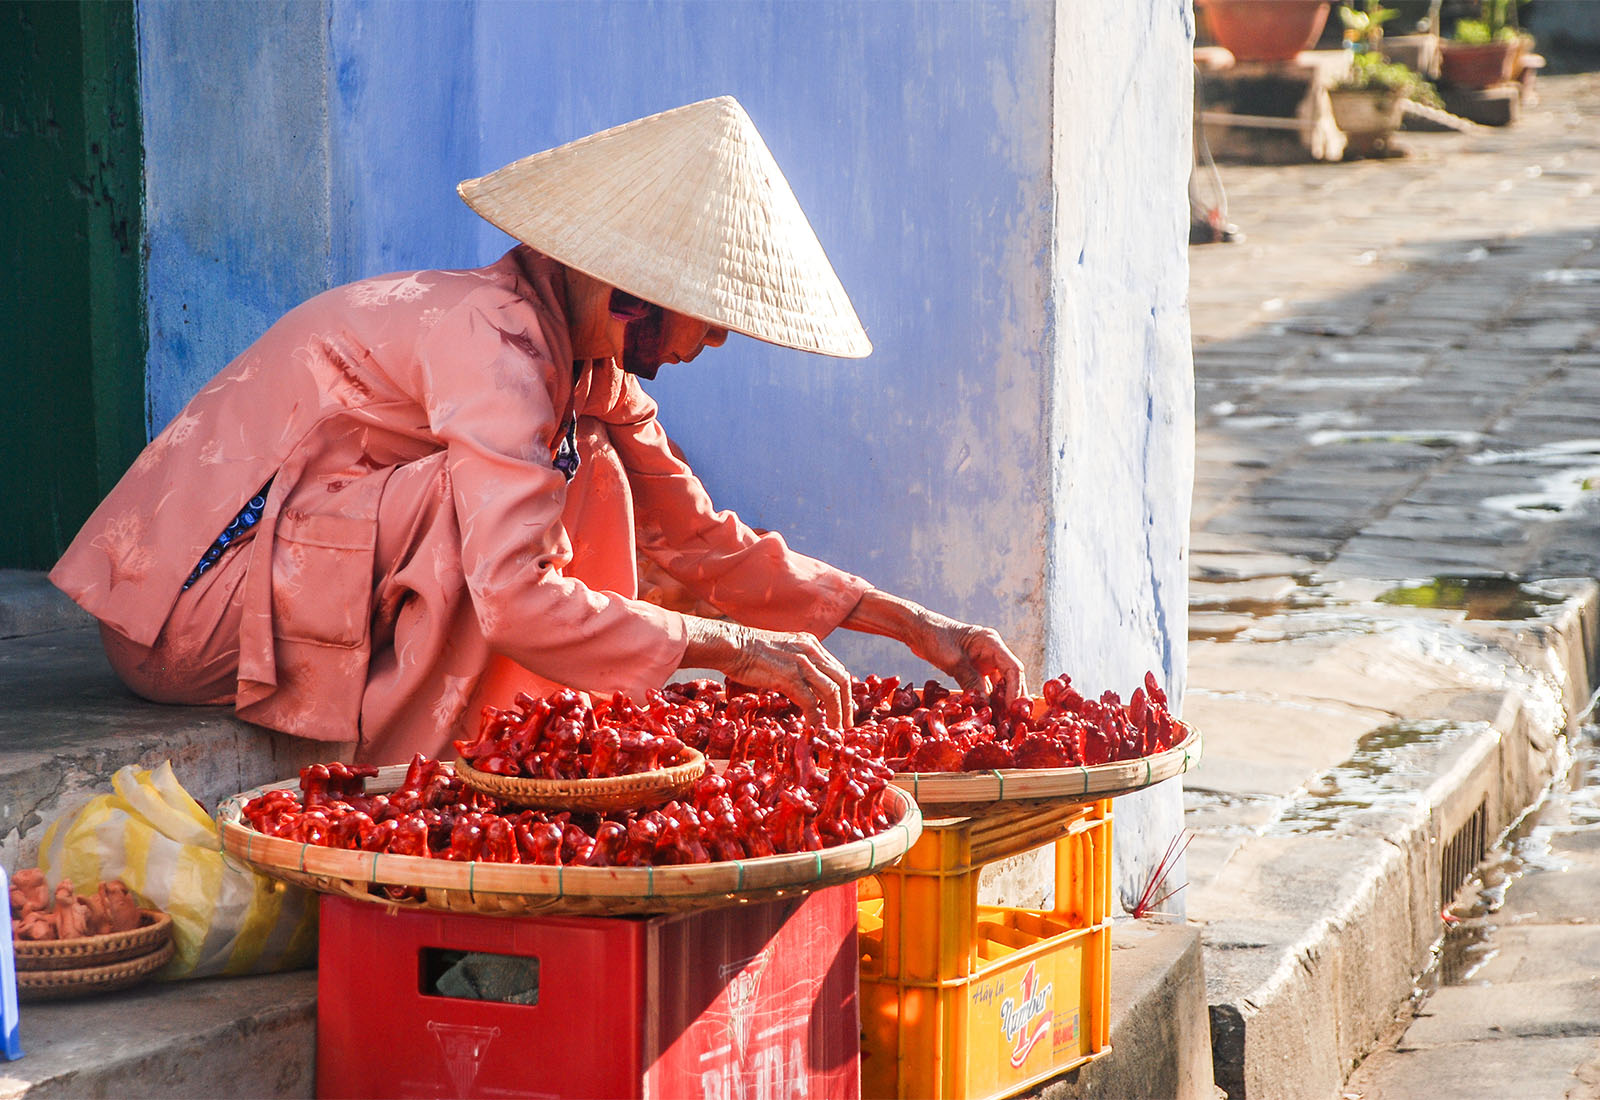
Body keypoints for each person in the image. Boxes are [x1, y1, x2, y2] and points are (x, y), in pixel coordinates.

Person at [50, 96, 1026, 765]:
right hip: (183, 615)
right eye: (711, 316)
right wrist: (727, 647)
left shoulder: (580, 369)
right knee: (526, 500)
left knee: (591, 468)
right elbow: (512, 597)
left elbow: (700, 542)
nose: (717, 341)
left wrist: (916, 627)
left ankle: (554, 735)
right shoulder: (499, 344)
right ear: (639, 295)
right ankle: (457, 764)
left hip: (280, 580)